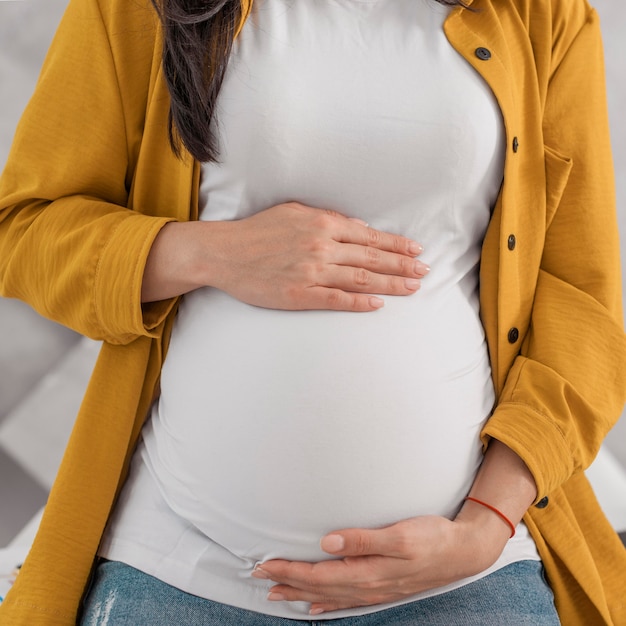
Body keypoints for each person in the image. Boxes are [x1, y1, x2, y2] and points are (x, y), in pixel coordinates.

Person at [0, 0, 625, 623]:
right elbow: (24, 232)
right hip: (179, 566)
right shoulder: (139, 7)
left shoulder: (541, 14)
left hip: (464, 575)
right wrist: (212, 254)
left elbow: (582, 303)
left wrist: (485, 526)